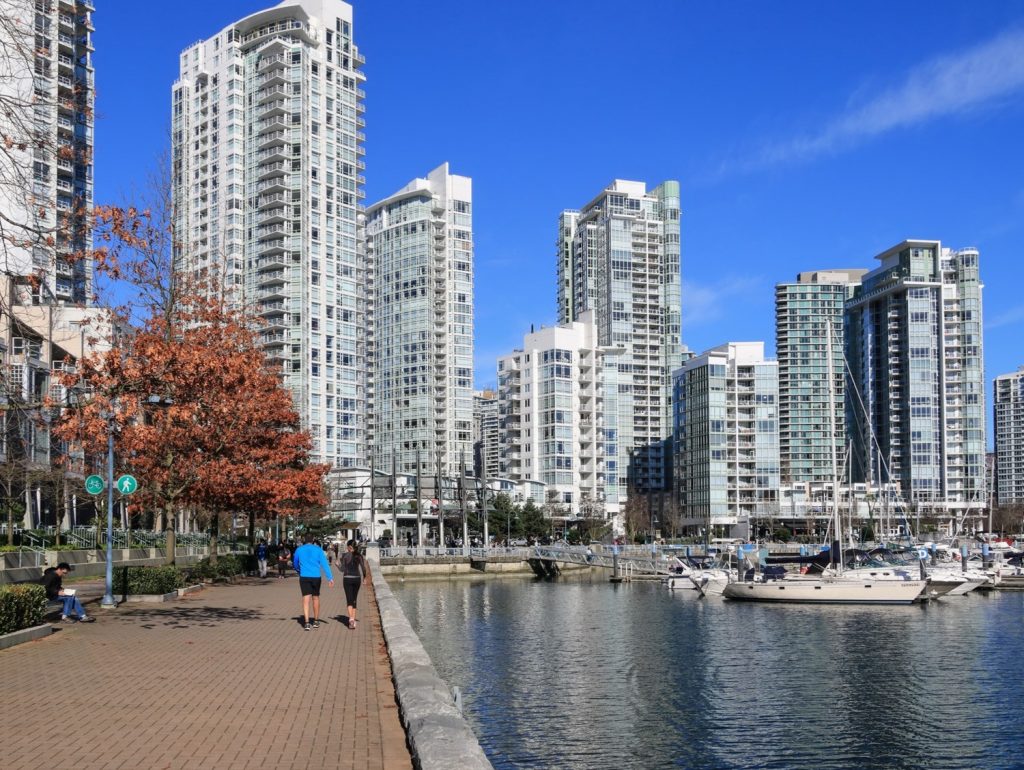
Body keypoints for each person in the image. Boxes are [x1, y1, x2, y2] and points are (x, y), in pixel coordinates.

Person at [292, 533, 333, 630]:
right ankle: (316, 620)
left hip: (304, 576)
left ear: (304, 540)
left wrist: (298, 570)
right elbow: (325, 564)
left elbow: (295, 563)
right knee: (315, 598)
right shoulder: (318, 550)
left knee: (306, 599)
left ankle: (306, 622)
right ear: (313, 539)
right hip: (316, 576)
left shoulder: (299, 549)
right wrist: (330, 577)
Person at [340, 539, 371, 630]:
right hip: (357, 578)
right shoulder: (359, 555)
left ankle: (351, 620)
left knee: (349, 599)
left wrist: (337, 564)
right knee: (354, 599)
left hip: (347, 578)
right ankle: (352, 619)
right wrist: (364, 578)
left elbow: (342, 569)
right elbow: (363, 568)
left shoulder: (345, 555)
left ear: (349, 547)